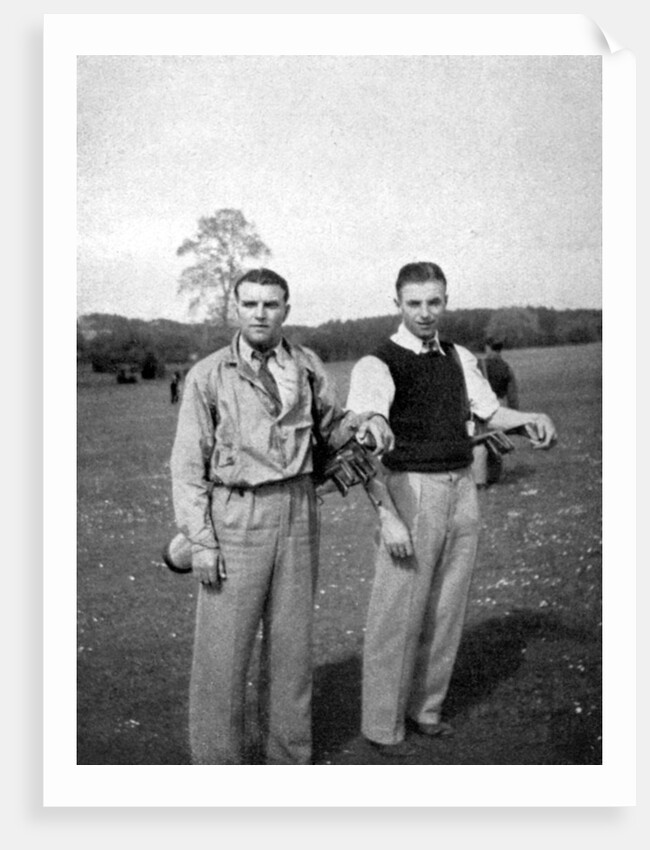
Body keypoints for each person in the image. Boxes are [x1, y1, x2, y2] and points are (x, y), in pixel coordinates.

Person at [170, 267, 393, 765]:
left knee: (291, 651)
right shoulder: (209, 375)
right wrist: (202, 542)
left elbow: (331, 428)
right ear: (237, 308)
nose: (260, 314)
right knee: (223, 656)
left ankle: (288, 762)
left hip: (297, 508)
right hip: (235, 515)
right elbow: (187, 467)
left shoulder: (308, 365)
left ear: (286, 310)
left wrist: (365, 424)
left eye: (271, 304)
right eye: (250, 304)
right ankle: (217, 766)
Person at [346, 261, 557, 755]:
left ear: (446, 301)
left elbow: (489, 413)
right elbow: (367, 420)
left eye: (434, 302)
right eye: (414, 303)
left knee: (447, 606)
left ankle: (427, 710)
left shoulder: (459, 356)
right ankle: (382, 725)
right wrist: (386, 509)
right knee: (399, 610)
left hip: (462, 485)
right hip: (412, 488)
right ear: (397, 304)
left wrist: (529, 418)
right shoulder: (377, 363)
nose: (424, 312)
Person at [471, 337, 520, 486]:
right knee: (495, 441)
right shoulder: (506, 367)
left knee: (479, 441)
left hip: (479, 406)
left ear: (487, 347)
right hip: (499, 405)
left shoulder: (478, 365)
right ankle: (494, 477)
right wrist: (512, 416)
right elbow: (512, 395)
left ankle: (479, 481)